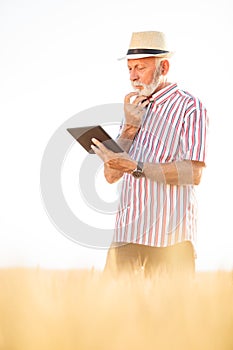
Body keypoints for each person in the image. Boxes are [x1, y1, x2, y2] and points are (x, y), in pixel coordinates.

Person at [91, 31, 208, 277]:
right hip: (126, 238)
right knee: (110, 312)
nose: (133, 77)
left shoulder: (190, 107)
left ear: (163, 66)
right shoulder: (132, 110)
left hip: (171, 241)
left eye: (141, 68)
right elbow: (111, 175)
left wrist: (138, 167)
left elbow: (194, 173)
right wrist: (130, 127)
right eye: (130, 69)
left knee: (172, 314)